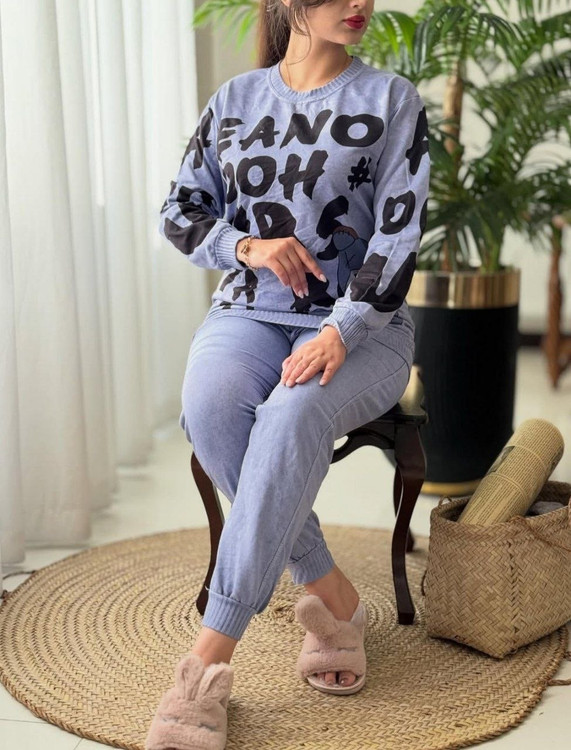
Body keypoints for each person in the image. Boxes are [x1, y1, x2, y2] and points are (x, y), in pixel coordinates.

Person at [145, 0, 430, 747]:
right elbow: (179, 212)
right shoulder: (236, 100)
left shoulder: (390, 100)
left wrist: (342, 329)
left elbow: (399, 234)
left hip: (364, 325)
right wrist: (247, 247)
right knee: (210, 407)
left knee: (291, 412)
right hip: (247, 312)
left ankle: (207, 663)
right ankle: (332, 596)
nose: (359, 4)